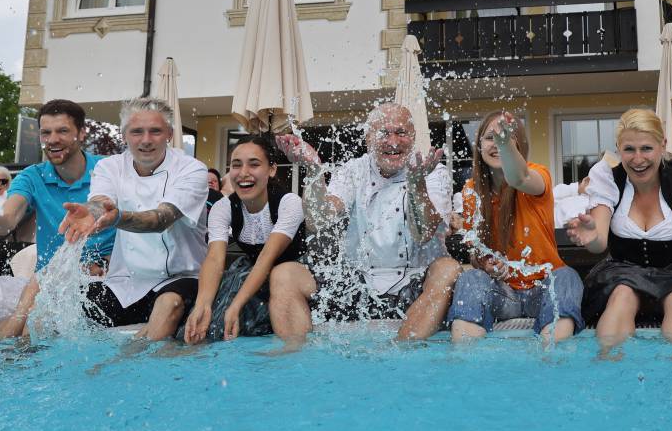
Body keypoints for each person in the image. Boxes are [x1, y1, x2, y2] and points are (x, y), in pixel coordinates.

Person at [0, 101, 115, 336]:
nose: (53, 139)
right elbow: (3, 223)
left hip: (97, 283)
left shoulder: (108, 170)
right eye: (46, 132)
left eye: (63, 131)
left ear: (82, 133)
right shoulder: (33, 175)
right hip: (41, 283)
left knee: (31, 324)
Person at [275, 104, 460, 342]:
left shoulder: (433, 172)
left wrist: (416, 185)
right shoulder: (354, 170)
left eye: (401, 132)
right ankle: (296, 358)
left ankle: (403, 350)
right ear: (368, 138)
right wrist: (313, 170)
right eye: (384, 132)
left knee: (448, 268)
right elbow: (318, 220)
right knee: (284, 274)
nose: (393, 141)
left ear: (413, 137)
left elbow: (423, 232)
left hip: (416, 285)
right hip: (358, 286)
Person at [566, 108, 672, 353]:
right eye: (629, 149)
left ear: (662, 145)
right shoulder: (607, 179)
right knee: (622, 294)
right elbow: (599, 243)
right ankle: (610, 377)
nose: (638, 159)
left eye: (646, 149)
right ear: (618, 148)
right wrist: (592, 238)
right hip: (622, 272)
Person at [59, 96, 208, 340]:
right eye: (137, 132)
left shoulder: (191, 169)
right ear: (124, 135)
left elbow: (162, 218)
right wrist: (93, 213)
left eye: (155, 131)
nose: (146, 140)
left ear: (169, 134)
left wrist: (117, 218)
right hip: (126, 282)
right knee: (62, 303)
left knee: (168, 304)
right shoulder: (110, 167)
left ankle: (132, 367)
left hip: (182, 278)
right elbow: (101, 202)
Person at [448, 110, 583, 342]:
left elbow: (519, 178)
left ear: (519, 145)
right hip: (503, 294)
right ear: (479, 145)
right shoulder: (471, 191)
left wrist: (505, 145)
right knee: (471, 278)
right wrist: (486, 264)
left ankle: (552, 358)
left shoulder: (538, 174)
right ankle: (466, 360)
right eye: (490, 137)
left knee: (567, 276)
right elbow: (475, 252)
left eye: (506, 137)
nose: (497, 143)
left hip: (544, 291)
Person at [184, 135, 309, 343]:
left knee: (273, 278)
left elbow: (266, 258)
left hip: (296, 272)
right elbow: (215, 259)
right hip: (253, 270)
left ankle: (292, 354)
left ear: (272, 169)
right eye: (236, 165)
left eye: (254, 164)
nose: (243, 173)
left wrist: (235, 306)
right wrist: (202, 304)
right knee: (211, 314)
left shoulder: (289, 203)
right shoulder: (223, 207)